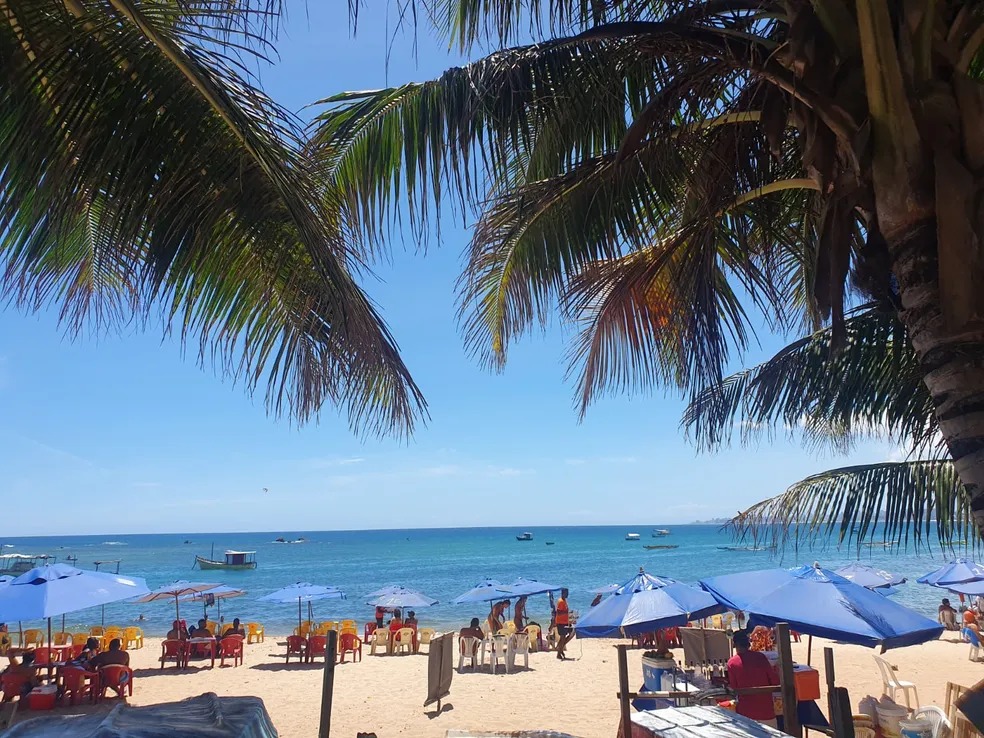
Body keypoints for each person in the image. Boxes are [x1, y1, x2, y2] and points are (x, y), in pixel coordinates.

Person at [727, 630, 780, 727]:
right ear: (748, 644)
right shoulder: (760, 657)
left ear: (735, 645)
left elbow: (734, 688)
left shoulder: (732, 663)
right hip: (766, 710)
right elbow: (775, 681)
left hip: (746, 712)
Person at [555, 588, 574, 660]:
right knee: (562, 637)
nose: (568, 595)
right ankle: (559, 652)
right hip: (560, 622)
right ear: (563, 593)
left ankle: (560, 648)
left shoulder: (564, 601)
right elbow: (559, 612)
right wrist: (566, 612)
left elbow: (564, 611)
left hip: (565, 622)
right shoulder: (560, 601)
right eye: (566, 593)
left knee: (571, 632)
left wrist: (569, 614)